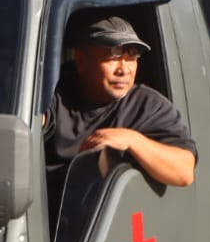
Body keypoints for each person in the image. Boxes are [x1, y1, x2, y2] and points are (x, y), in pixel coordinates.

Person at [44, 14, 198, 204]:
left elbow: (184, 172)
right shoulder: (53, 90)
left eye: (131, 56)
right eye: (113, 55)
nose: (124, 69)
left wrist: (133, 140)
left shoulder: (147, 105)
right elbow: (31, 122)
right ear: (81, 60)